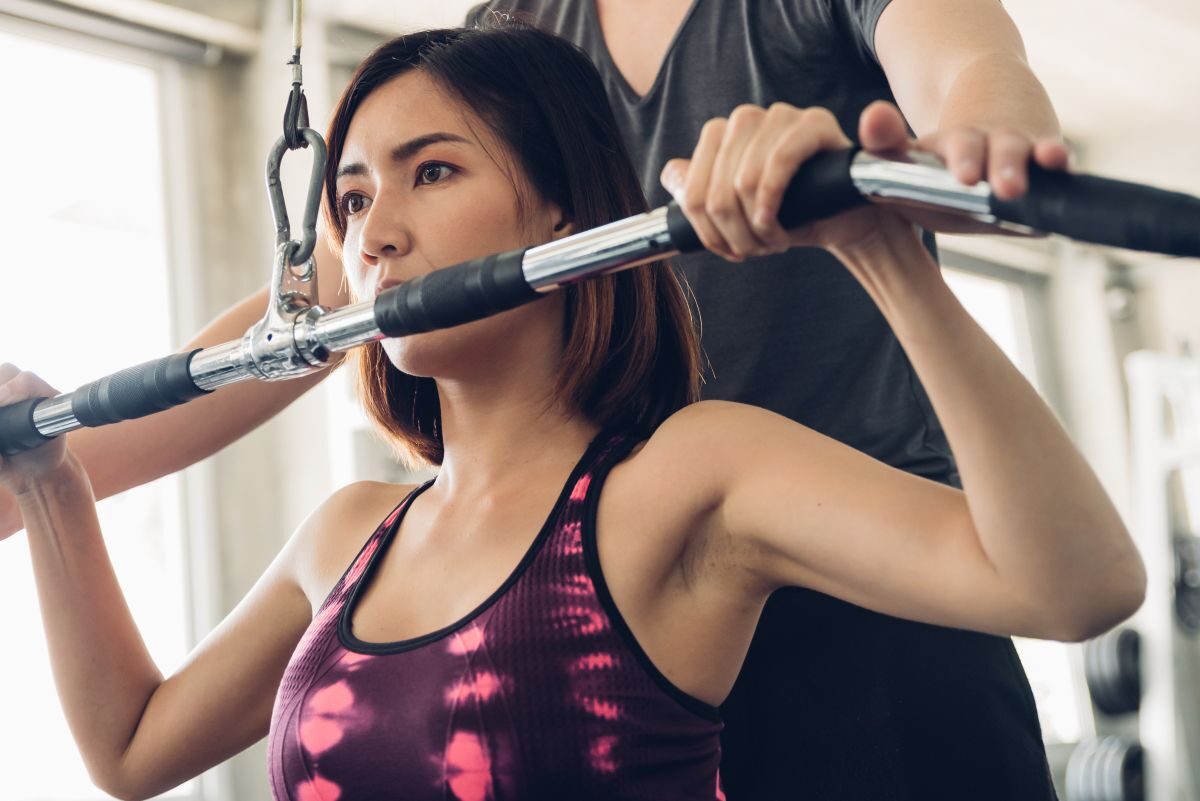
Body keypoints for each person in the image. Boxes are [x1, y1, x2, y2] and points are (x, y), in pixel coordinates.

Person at [0, 24, 1141, 801]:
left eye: (432, 174)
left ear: (557, 209)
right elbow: (130, 749)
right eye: (351, 197)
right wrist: (51, 482)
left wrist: (884, 255)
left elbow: (1079, 587)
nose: (374, 233)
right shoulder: (349, 531)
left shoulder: (691, 477)